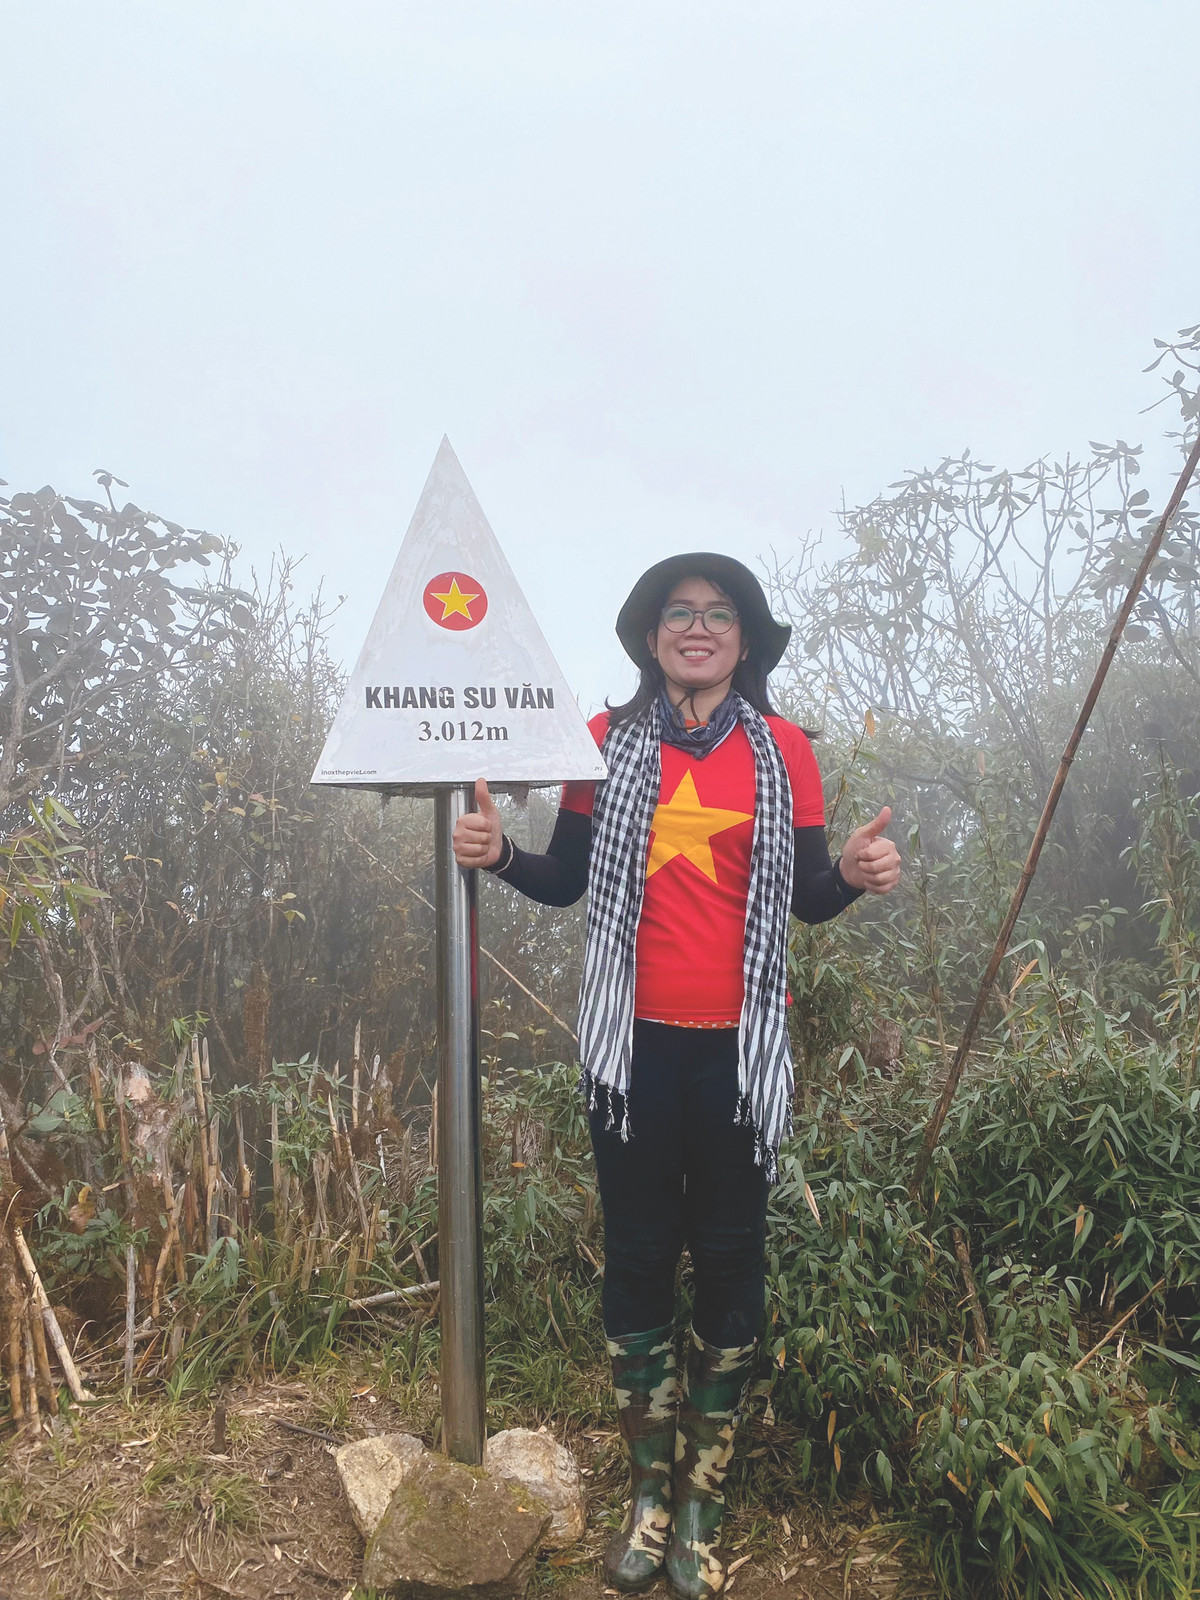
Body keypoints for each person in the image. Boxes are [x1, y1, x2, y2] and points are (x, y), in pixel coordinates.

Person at [453, 555, 900, 1600]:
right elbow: (566, 880)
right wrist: (500, 854)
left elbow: (807, 895)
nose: (698, 628)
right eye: (678, 614)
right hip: (633, 1055)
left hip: (739, 1057)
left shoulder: (785, 750)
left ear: (745, 641)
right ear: (650, 638)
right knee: (641, 1261)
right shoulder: (602, 744)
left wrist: (852, 876)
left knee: (733, 1264)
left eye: (719, 615)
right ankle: (649, 1496)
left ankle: (702, 1498)